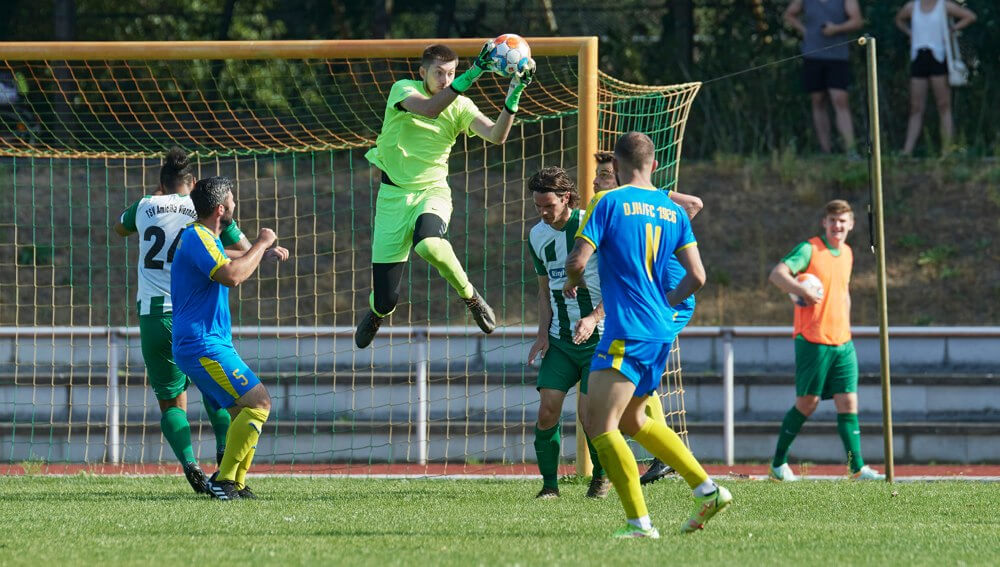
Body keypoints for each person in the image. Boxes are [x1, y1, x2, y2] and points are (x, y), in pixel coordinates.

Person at [566, 132, 730, 538]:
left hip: (627, 328)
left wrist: (572, 280)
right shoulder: (672, 211)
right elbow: (698, 276)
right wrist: (665, 303)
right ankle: (707, 490)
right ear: (654, 166)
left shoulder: (608, 201)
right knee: (635, 419)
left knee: (601, 426)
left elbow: (577, 260)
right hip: (659, 329)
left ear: (617, 168)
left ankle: (639, 523)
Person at [355, 43, 535, 348]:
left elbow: (496, 135)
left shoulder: (460, 106)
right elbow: (429, 109)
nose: (446, 79)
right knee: (386, 300)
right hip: (393, 198)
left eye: (451, 73)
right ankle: (377, 311)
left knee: (429, 244)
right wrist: (475, 71)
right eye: (439, 73)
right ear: (422, 72)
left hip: (433, 192)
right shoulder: (403, 90)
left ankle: (471, 297)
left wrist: (514, 93)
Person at [113, 148, 252, 494]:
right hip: (194, 313)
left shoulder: (145, 205)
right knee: (215, 391)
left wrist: (154, 203)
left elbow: (119, 227)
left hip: (154, 316)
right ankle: (223, 455)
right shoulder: (201, 208)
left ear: (161, 184)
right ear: (192, 184)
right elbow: (243, 246)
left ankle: (190, 463)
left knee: (171, 401)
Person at [170, 176, 289, 500]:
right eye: (233, 201)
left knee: (242, 411)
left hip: (208, 342)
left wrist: (257, 253)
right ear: (221, 209)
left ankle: (234, 482)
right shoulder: (197, 236)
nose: (236, 205)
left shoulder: (207, 238)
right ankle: (223, 481)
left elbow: (231, 256)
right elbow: (232, 276)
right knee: (259, 403)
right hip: (200, 344)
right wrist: (263, 242)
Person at [592, 151, 704, 486]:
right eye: (597, 175)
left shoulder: (644, 203)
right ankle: (675, 466)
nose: (597, 181)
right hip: (648, 305)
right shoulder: (612, 206)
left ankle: (666, 461)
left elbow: (695, 204)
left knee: (633, 379)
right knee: (635, 379)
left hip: (667, 301)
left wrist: (656, 196)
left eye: (605, 175)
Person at [767, 199, 884, 481]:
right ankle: (778, 465)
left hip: (843, 342)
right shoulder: (810, 249)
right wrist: (800, 290)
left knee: (848, 402)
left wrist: (846, 326)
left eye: (842, 221)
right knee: (808, 403)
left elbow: (843, 293)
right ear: (825, 223)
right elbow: (777, 275)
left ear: (851, 225)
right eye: (832, 221)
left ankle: (857, 469)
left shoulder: (847, 254)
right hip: (812, 339)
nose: (837, 226)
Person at [525, 166, 609, 500]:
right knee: (547, 410)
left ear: (567, 198)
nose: (544, 213)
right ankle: (549, 487)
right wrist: (542, 334)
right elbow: (545, 291)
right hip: (560, 339)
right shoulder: (537, 236)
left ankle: (601, 479)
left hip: (599, 337)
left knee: (591, 418)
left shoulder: (594, 223)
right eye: (538, 207)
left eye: (550, 206)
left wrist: (593, 317)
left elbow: (619, 282)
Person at [895, 0, 977, 156]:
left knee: (943, 104)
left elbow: (970, 16)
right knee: (915, 106)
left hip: (938, 57)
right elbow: (899, 19)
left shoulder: (944, 5)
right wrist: (910, 33)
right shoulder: (913, 6)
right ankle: (907, 149)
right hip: (918, 56)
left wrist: (952, 29)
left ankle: (947, 149)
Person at [783, 0, 863, 156]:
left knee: (840, 99)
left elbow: (857, 21)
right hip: (813, 55)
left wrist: (837, 29)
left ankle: (851, 150)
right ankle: (825, 151)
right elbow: (789, 14)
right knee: (818, 100)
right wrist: (806, 31)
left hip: (838, 57)